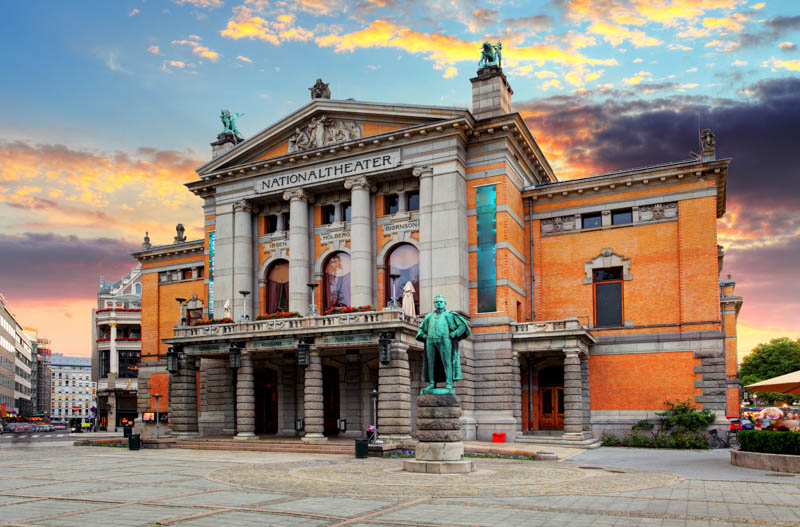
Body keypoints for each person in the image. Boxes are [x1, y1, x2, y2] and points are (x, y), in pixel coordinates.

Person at [416, 295, 470, 394]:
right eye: (436, 302)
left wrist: (455, 333)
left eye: (441, 302)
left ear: (445, 303)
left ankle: (449, 383)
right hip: (430, 341)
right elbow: (421, 329)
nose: (439, 303)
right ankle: (432, 383)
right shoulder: (429, 316)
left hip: (445, 340)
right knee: (431, 363)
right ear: (434, 304)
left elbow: (463, 325)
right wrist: (424, 336)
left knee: (447, 362)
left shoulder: (450, 315)